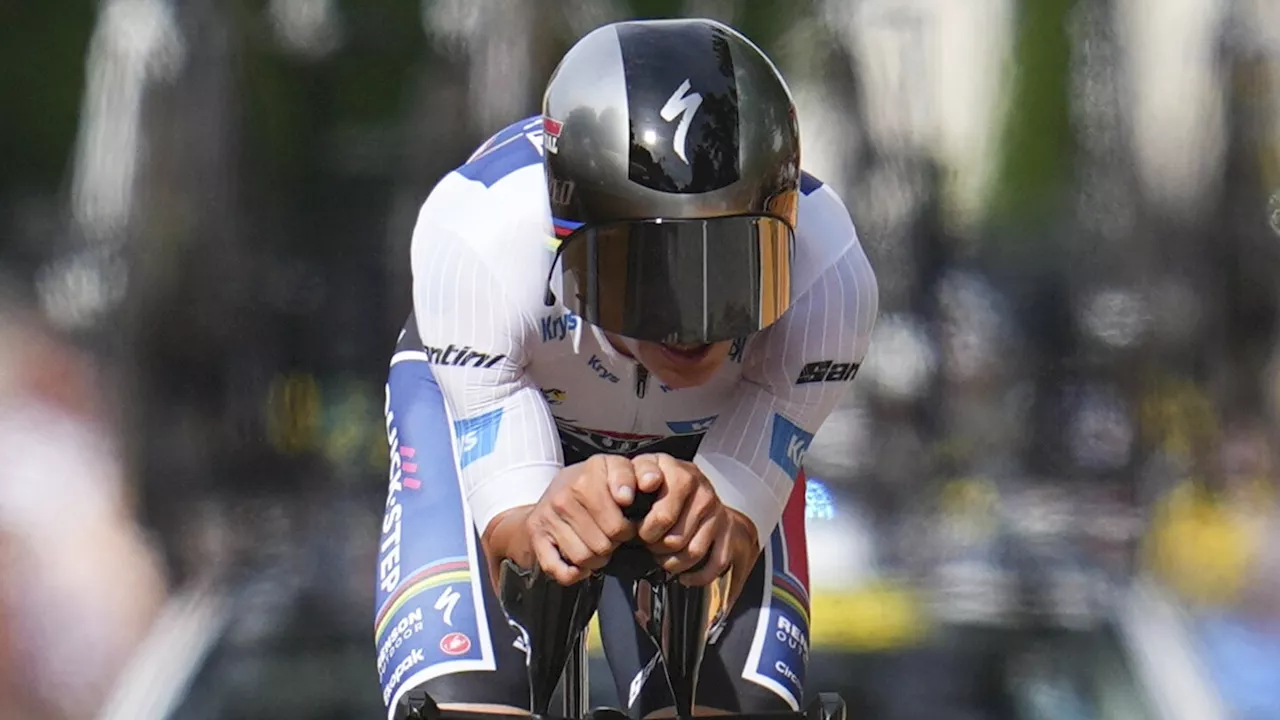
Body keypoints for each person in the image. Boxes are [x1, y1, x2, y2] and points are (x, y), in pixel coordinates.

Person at [375, 17, 879, 720]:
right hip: (509, 394)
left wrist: (721, 510)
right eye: (646, 274)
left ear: (788, 233)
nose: (692, 323)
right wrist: (538, 513)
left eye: (734, 271)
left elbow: (734, 533)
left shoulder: (831, 280)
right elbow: (512, 532)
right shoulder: (477, 241)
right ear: (566, 237)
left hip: (709, 437)